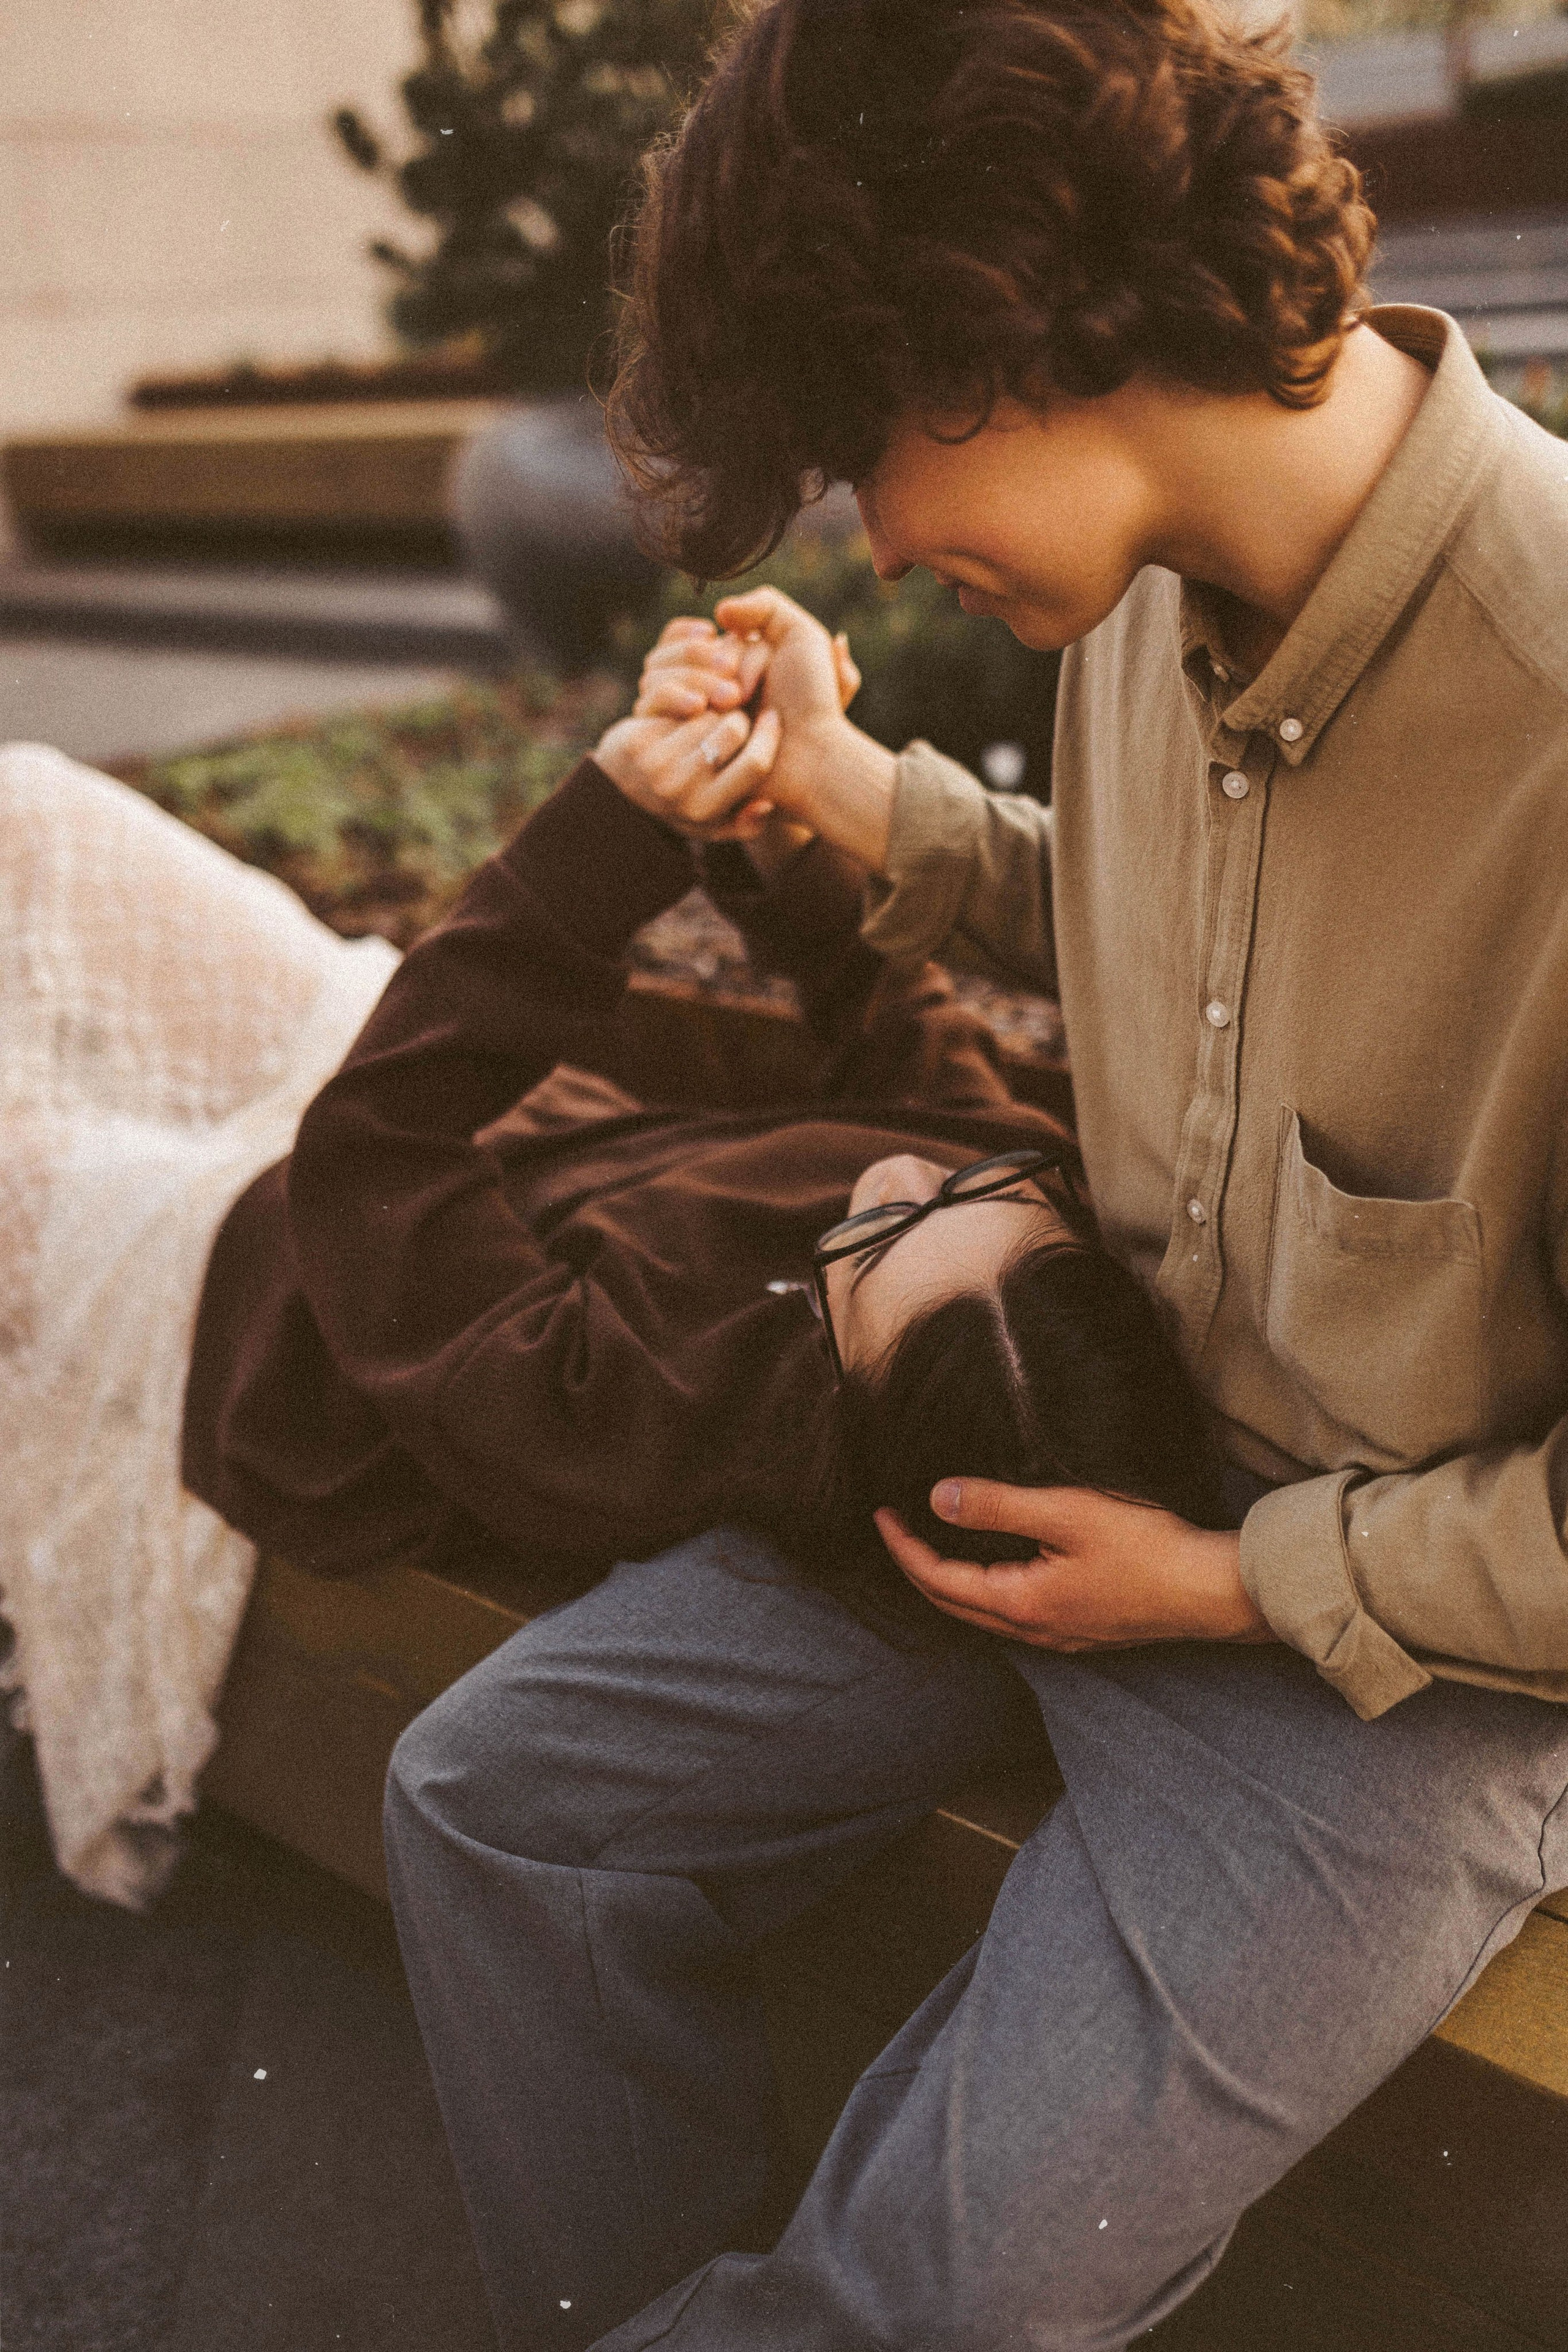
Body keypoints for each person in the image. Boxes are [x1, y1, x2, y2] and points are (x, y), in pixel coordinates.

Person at [380, 1, 1568, 2346]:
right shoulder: (1142, 583)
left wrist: (1228, 1585)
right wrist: (845, 789)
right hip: (1071, 1466)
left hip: (1397, 1663)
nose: (870, 533)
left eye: (849, 456)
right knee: (493, 1805)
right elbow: (1186, 939)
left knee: (912, 2299)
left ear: (996, 333)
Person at [0, 641, 1219, 1903]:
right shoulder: (1008, 1231)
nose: (897, 1181)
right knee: (31, 810)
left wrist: (609, 829)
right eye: (970, 1188)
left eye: (864, 1252)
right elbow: (891, 1025)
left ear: (840, 1386)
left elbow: (380, 1153)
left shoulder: (638, 1415)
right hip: (476, 1122)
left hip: (283, 1278)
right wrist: (774, 841)